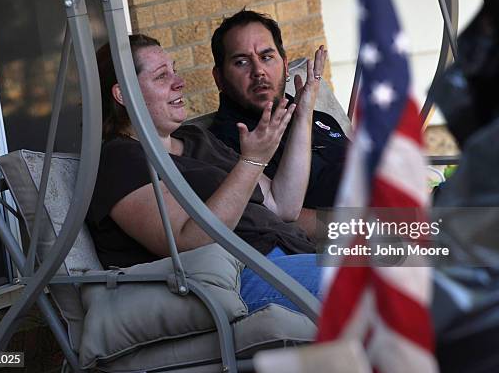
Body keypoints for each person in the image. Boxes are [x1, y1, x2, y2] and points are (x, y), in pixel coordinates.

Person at [86, 34, 326, 312]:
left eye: (174, 70)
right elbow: (189, 241)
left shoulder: (196, 138)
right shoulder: (119, 159)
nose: (180, 82)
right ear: (123, 94)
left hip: (291, 253)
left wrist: (304, 112)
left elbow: (282, 204)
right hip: (239, 277)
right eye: (162, 76)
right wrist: (251, 162)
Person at [208, 10, 348, 213]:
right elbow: (282, 223)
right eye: (241, 62)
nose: (258, 71)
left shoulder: (318, 117)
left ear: (284, 64)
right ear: (219, 78)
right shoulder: (221, 147)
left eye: (266, 57)